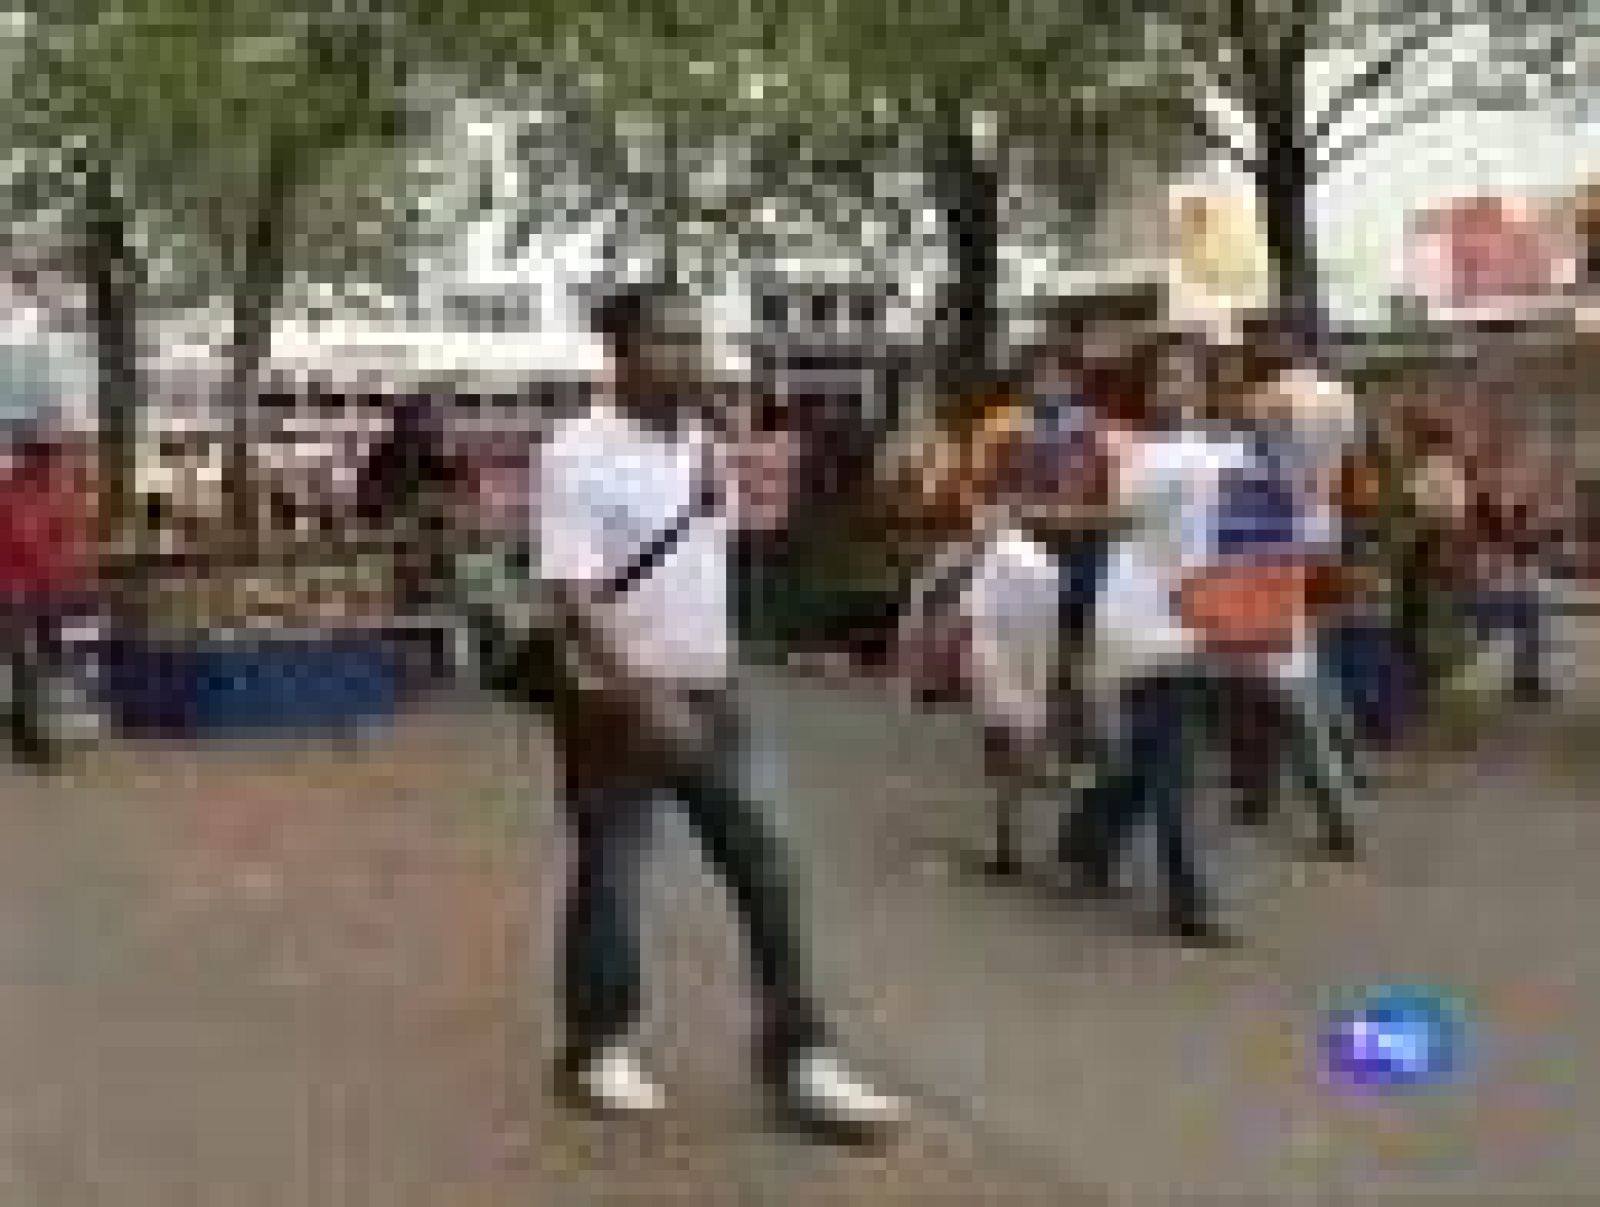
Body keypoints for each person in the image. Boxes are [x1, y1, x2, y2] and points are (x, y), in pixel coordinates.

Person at [535, 287, 901, 1141]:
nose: (690, 357)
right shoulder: (577, 451)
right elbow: (570, 593)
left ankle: (800, 1055)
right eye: (669, 341)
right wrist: (643, 693)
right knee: (612, 870)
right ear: (620, 353)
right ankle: (597, 1046)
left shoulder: (705, 445)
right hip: (615, 703)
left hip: (714, 692)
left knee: (768, 867)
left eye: (695, 340)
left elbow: (713, 554)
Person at [1055, 337, 1352, 945]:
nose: (1177, 388)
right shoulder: (1132, 450)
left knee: (1148, 755)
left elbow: (1292, 518)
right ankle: (1188, 903)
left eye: (1188, 377)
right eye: (1166, 377)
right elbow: (1116, 517)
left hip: (1210, 621)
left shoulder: (1227, 451)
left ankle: (1085, 842)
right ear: (1147, 389)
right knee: (1174, 759)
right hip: (1146, 622)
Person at [0, 422, 98, 767]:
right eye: (46, 455)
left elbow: (67, 539)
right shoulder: (12, 493)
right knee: (27, 662)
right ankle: (30, 736)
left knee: (45, 661)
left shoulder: (58, 493)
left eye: (54, 455)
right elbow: (24, 540)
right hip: (15, 590)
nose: (53, 462)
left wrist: (73, 573)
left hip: (49, 590)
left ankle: (36, 730)